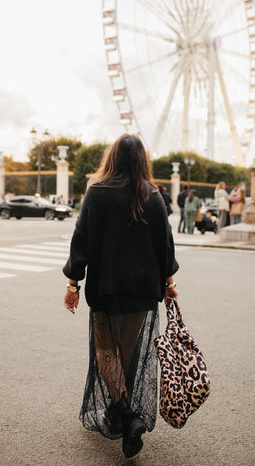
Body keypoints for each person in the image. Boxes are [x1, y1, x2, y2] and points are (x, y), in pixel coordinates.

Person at [63, 134, 179, 459]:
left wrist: (73, 284)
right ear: (142, 160)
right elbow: (165, 244)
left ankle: (127, 416)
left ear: (111, 157)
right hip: (143, 292)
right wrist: (169, 282)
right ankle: (119, 411)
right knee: (125, 352)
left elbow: (81, 240)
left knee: (105, 351)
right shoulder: (153, 195)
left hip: (108, 287)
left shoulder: (98, 193)